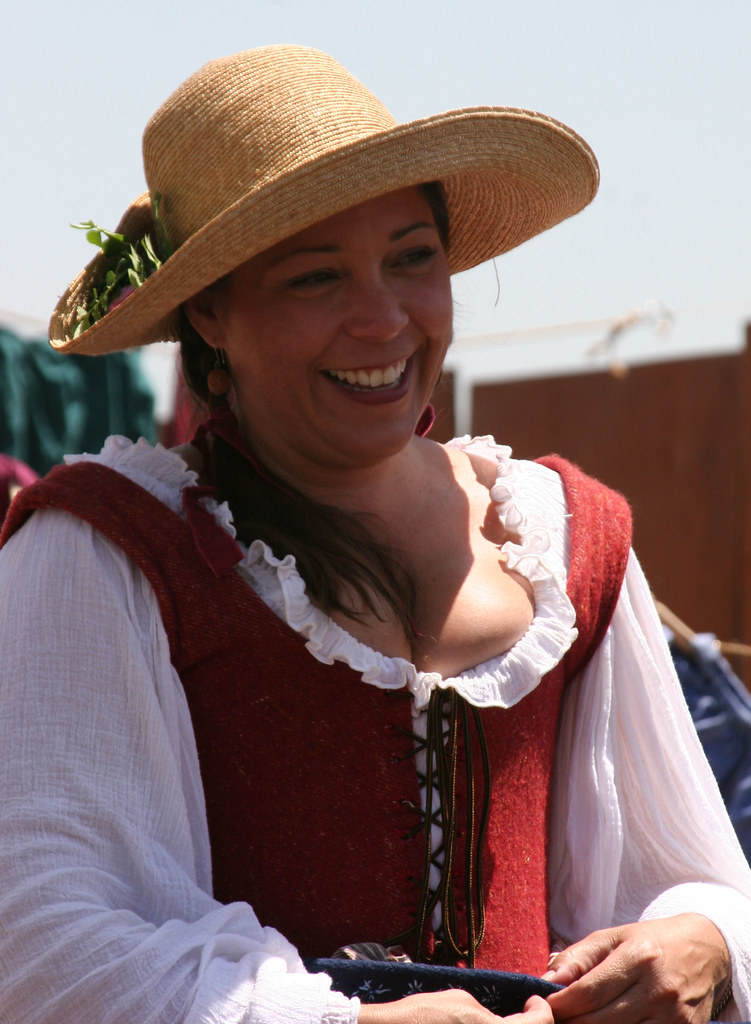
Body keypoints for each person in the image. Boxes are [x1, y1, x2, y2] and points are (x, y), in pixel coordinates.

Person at [0, 44, 749, 1024]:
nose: (383, 318)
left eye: (412, 258)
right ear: (213, 313)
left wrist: (701, 940)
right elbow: (41, 941)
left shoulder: (565, 538)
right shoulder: (106, 549)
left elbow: (696, 874)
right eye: (316, 278)